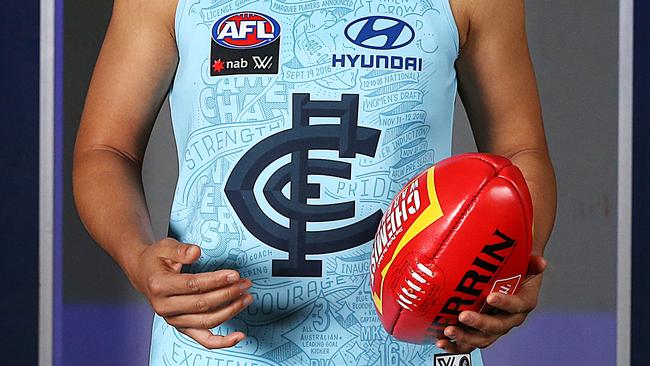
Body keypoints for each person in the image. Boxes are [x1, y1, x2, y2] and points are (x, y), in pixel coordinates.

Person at [73, 0, 556, 364]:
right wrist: (138, 257)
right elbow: (106, 150)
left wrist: (512, 266)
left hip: (417, 347)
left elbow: (518, 151)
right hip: (220, 350)